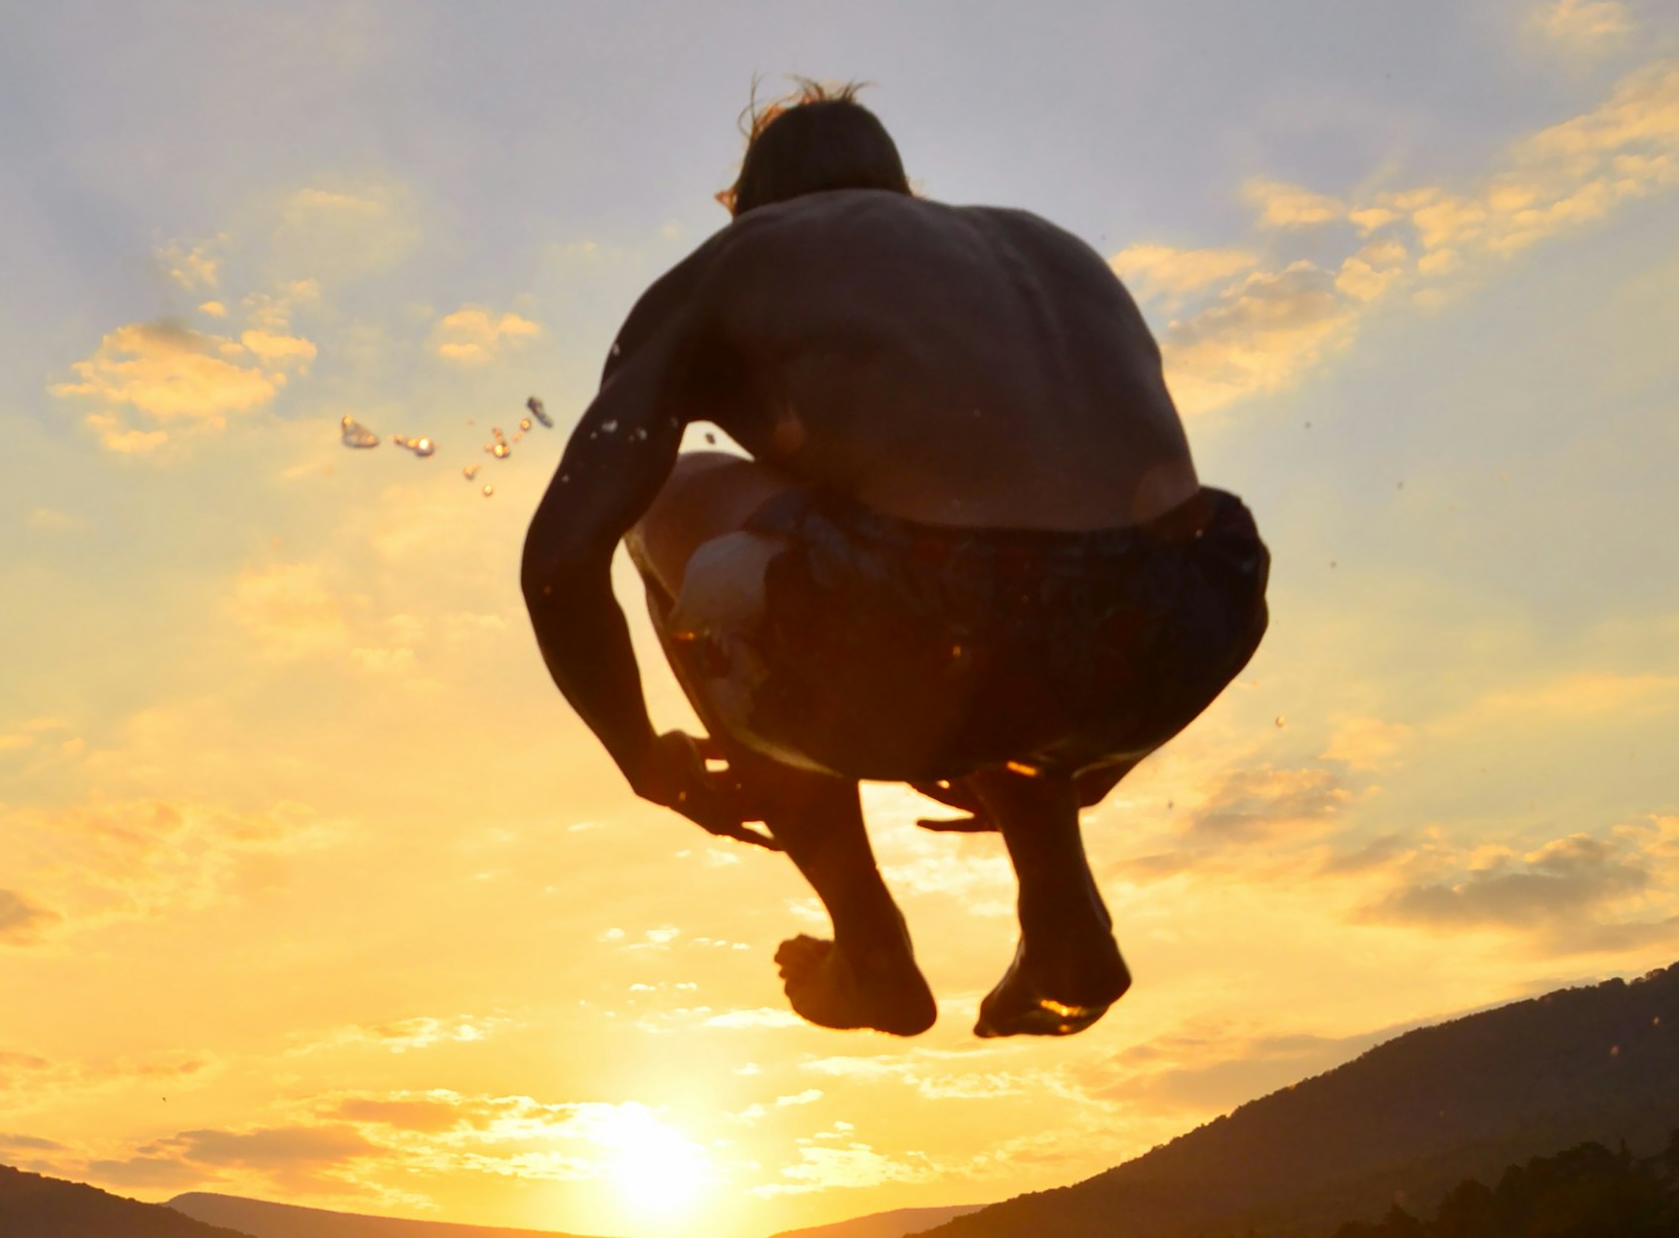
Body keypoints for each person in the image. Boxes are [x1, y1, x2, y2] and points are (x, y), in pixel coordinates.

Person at [519, 85, 1268, 1037]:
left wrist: (640, 754)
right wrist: (1094, 753)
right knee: (975, 531)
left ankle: (867, 940)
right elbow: (1085, 531)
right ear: (903, 190)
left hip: (934, 615)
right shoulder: (1052, 253)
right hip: (1188, 616)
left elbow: (559, 559)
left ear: (747, 205)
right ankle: (1061, 909)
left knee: (663, 497)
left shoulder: (737, 263)